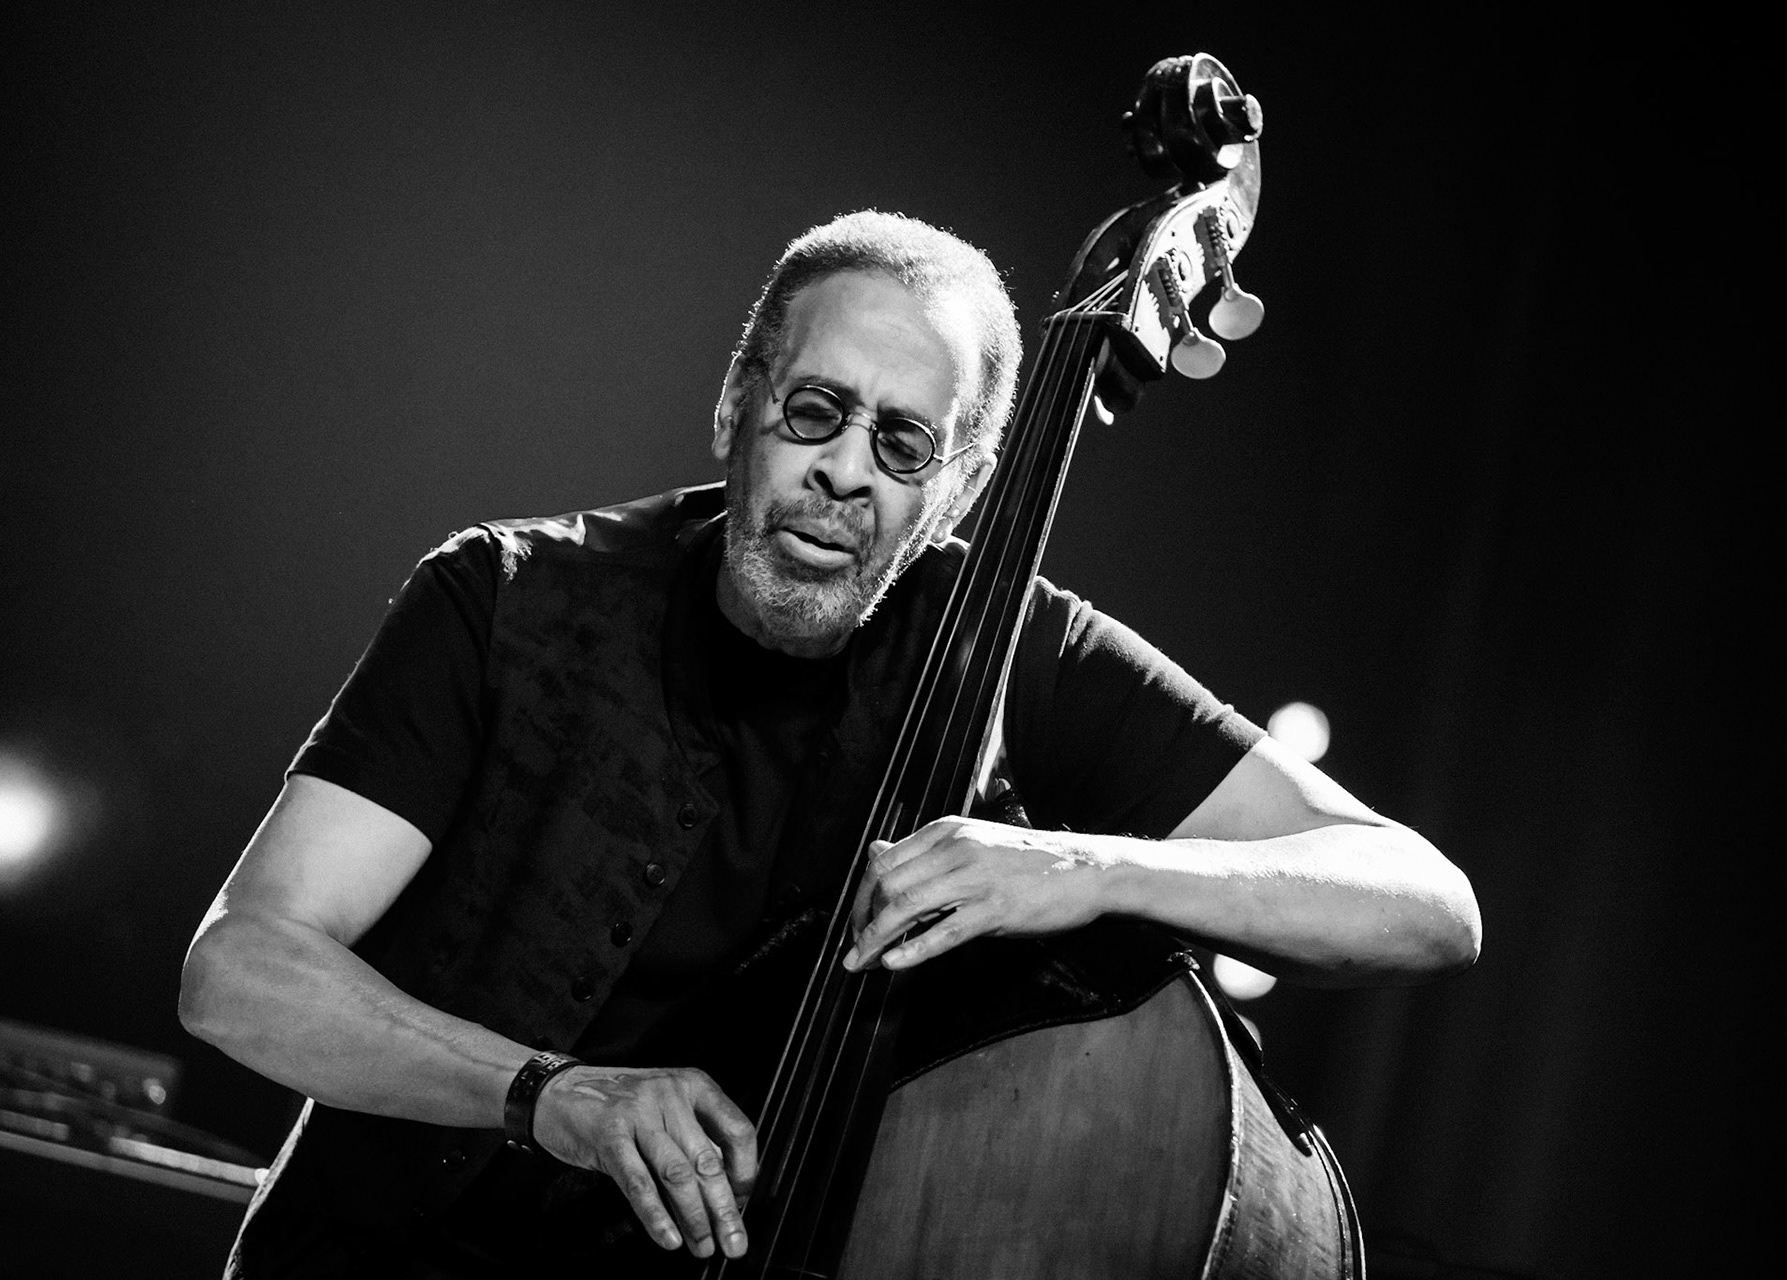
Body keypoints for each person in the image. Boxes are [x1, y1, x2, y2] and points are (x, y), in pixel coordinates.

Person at [180, 211, 1481, 1277]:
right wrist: (550, 1094)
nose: (846, 469)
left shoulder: (1024, 655)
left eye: (903, 441)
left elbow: (1422, 903)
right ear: (738, 406)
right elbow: (242, 969)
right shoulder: (506, 599)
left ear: (961, 485)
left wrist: (1092, 870)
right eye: (814, 409)